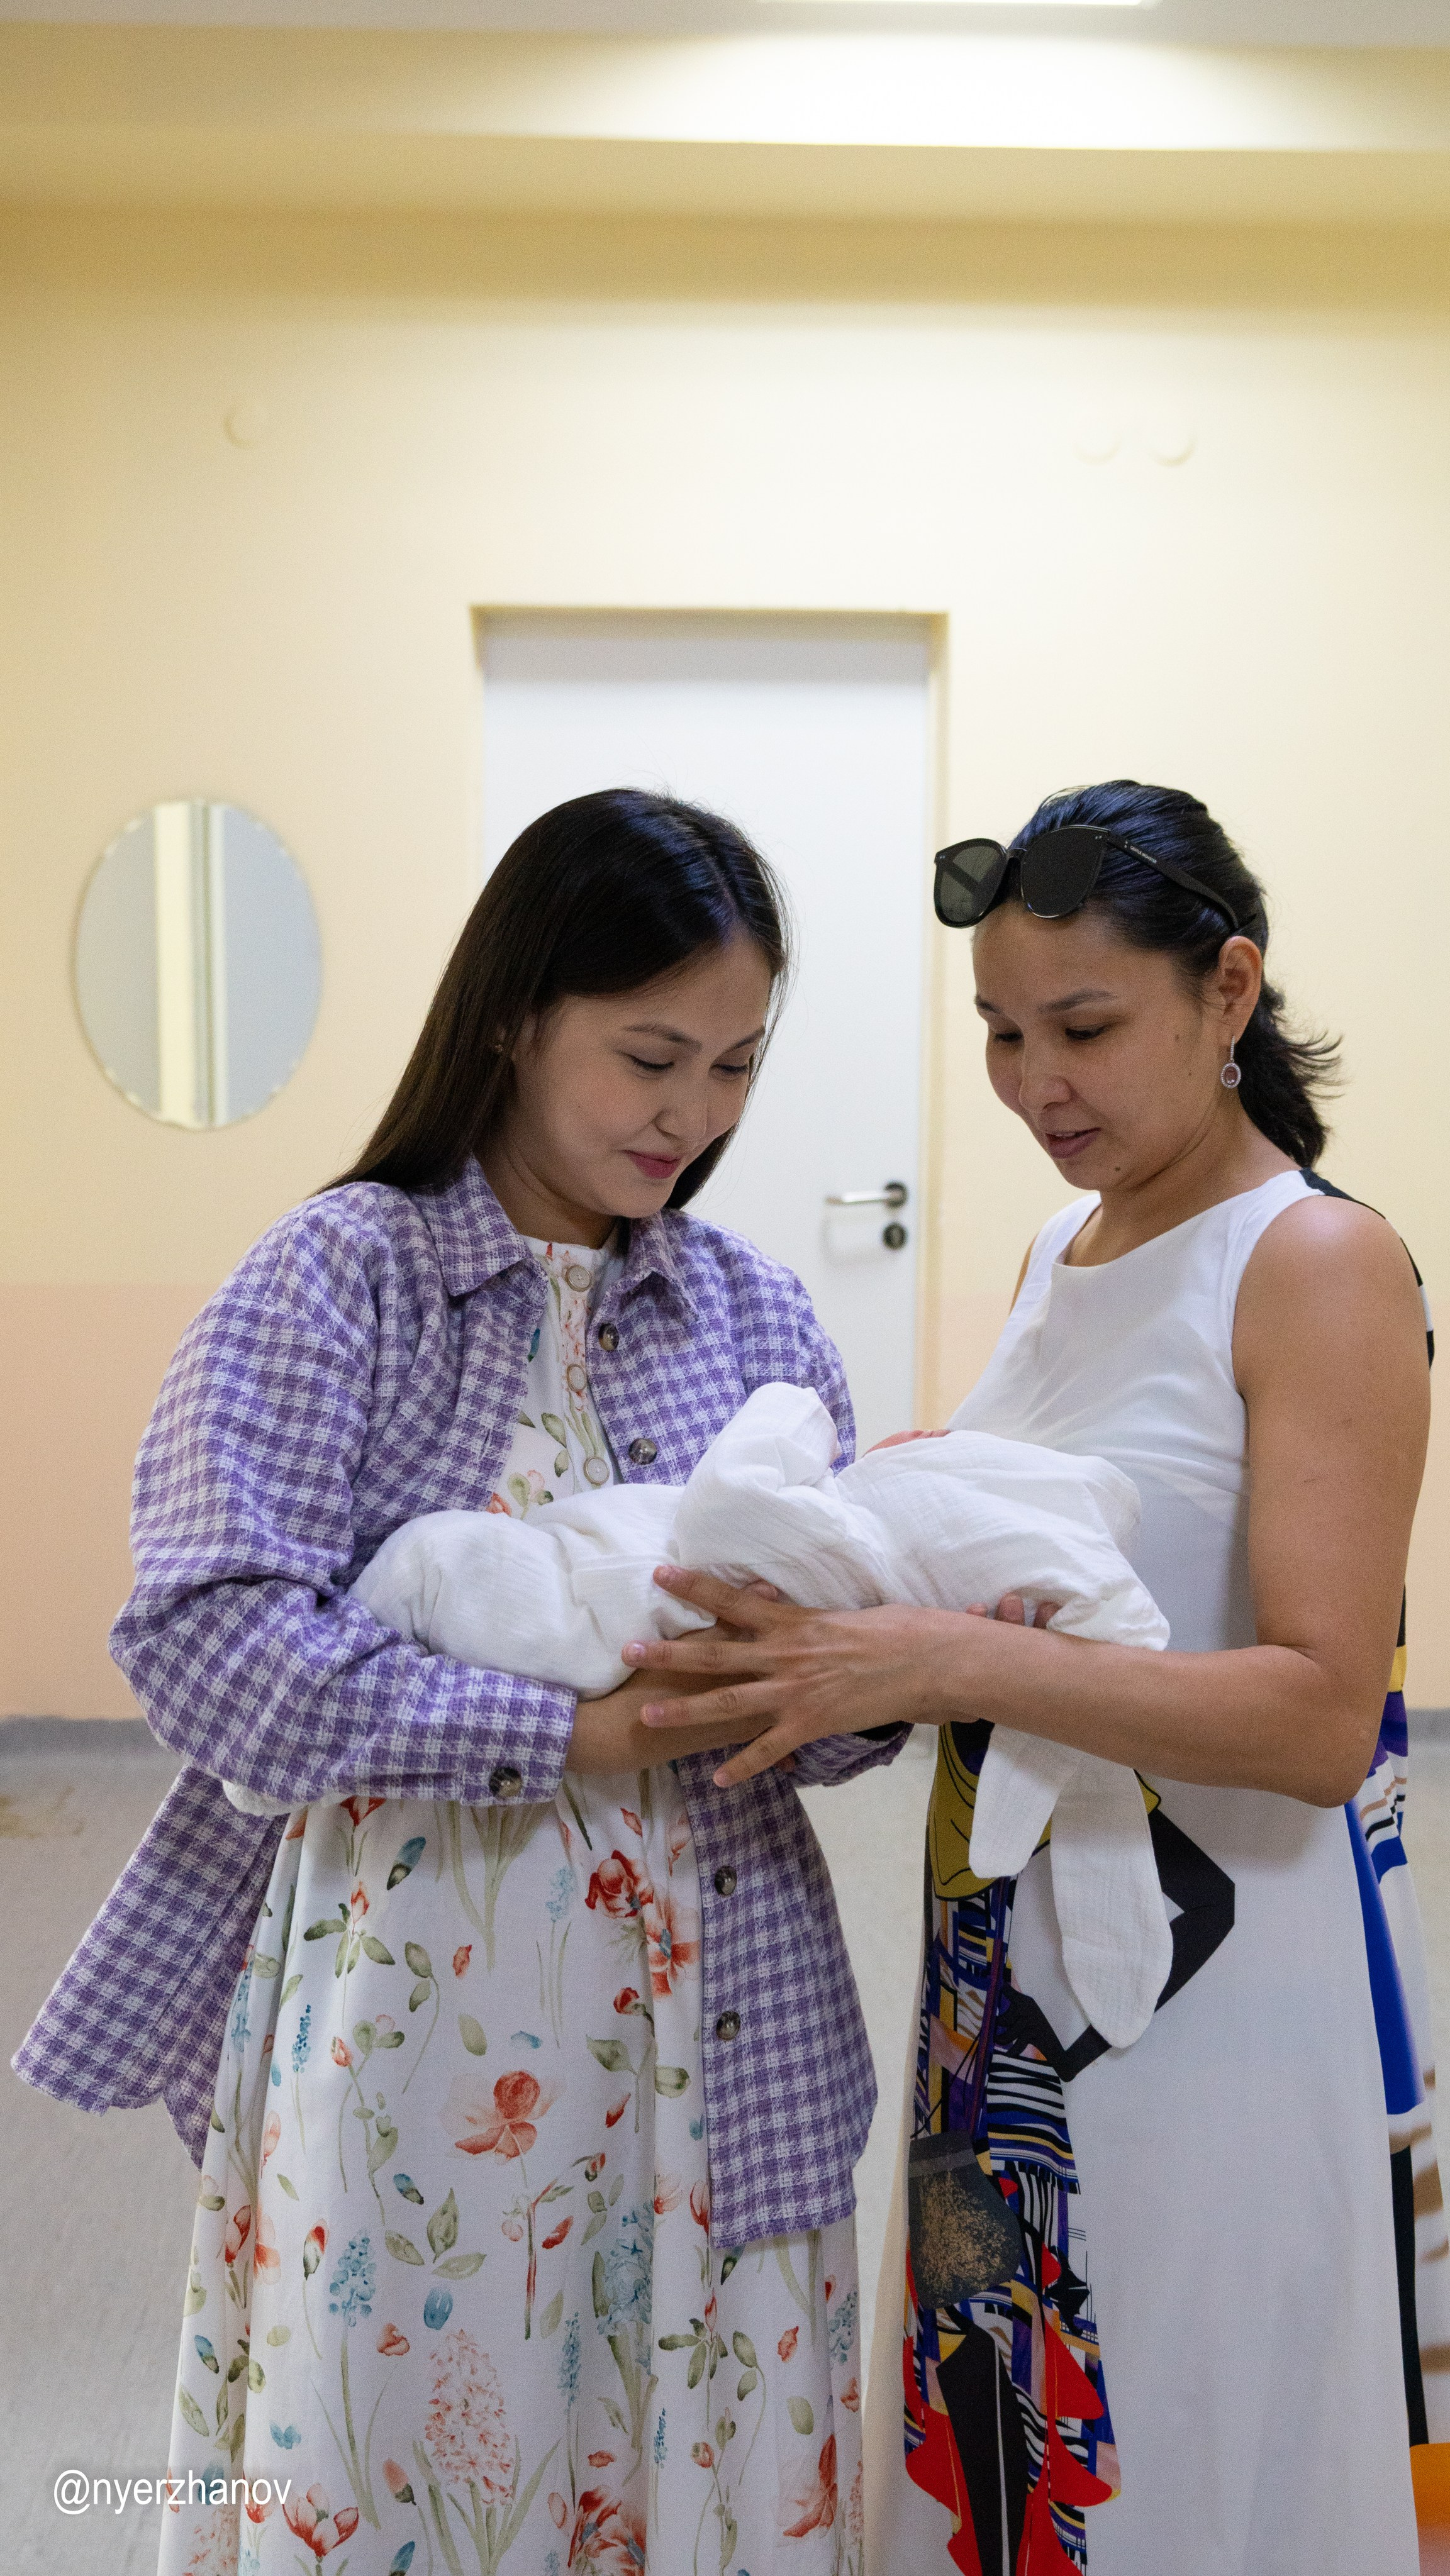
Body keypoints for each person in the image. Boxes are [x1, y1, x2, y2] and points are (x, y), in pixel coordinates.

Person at [16, 789, 892, 2576]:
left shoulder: (752, 1312)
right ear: (511, 1011)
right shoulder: (338, 1280)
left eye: (732, 1067)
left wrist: (852, 1673)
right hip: (429, 2019)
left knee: (701, 2429)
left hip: (717, 2020)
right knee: (427, 2420)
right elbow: (207, 1641)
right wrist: (574, 1727)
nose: (691, 1117)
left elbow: (842, 1672)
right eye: (650, 1055)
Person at [622, 781, 1447, 2576]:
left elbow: (1317, 1720)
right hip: (1000, 1972)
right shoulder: (1052, 1255)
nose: (1033, 1082)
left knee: (1168, 2444)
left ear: (1227, 994)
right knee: (1001, 2449)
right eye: (999, 1032)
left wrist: (936, 1650)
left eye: (1083, 1028)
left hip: (1205, 1996)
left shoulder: (1310, 1260)